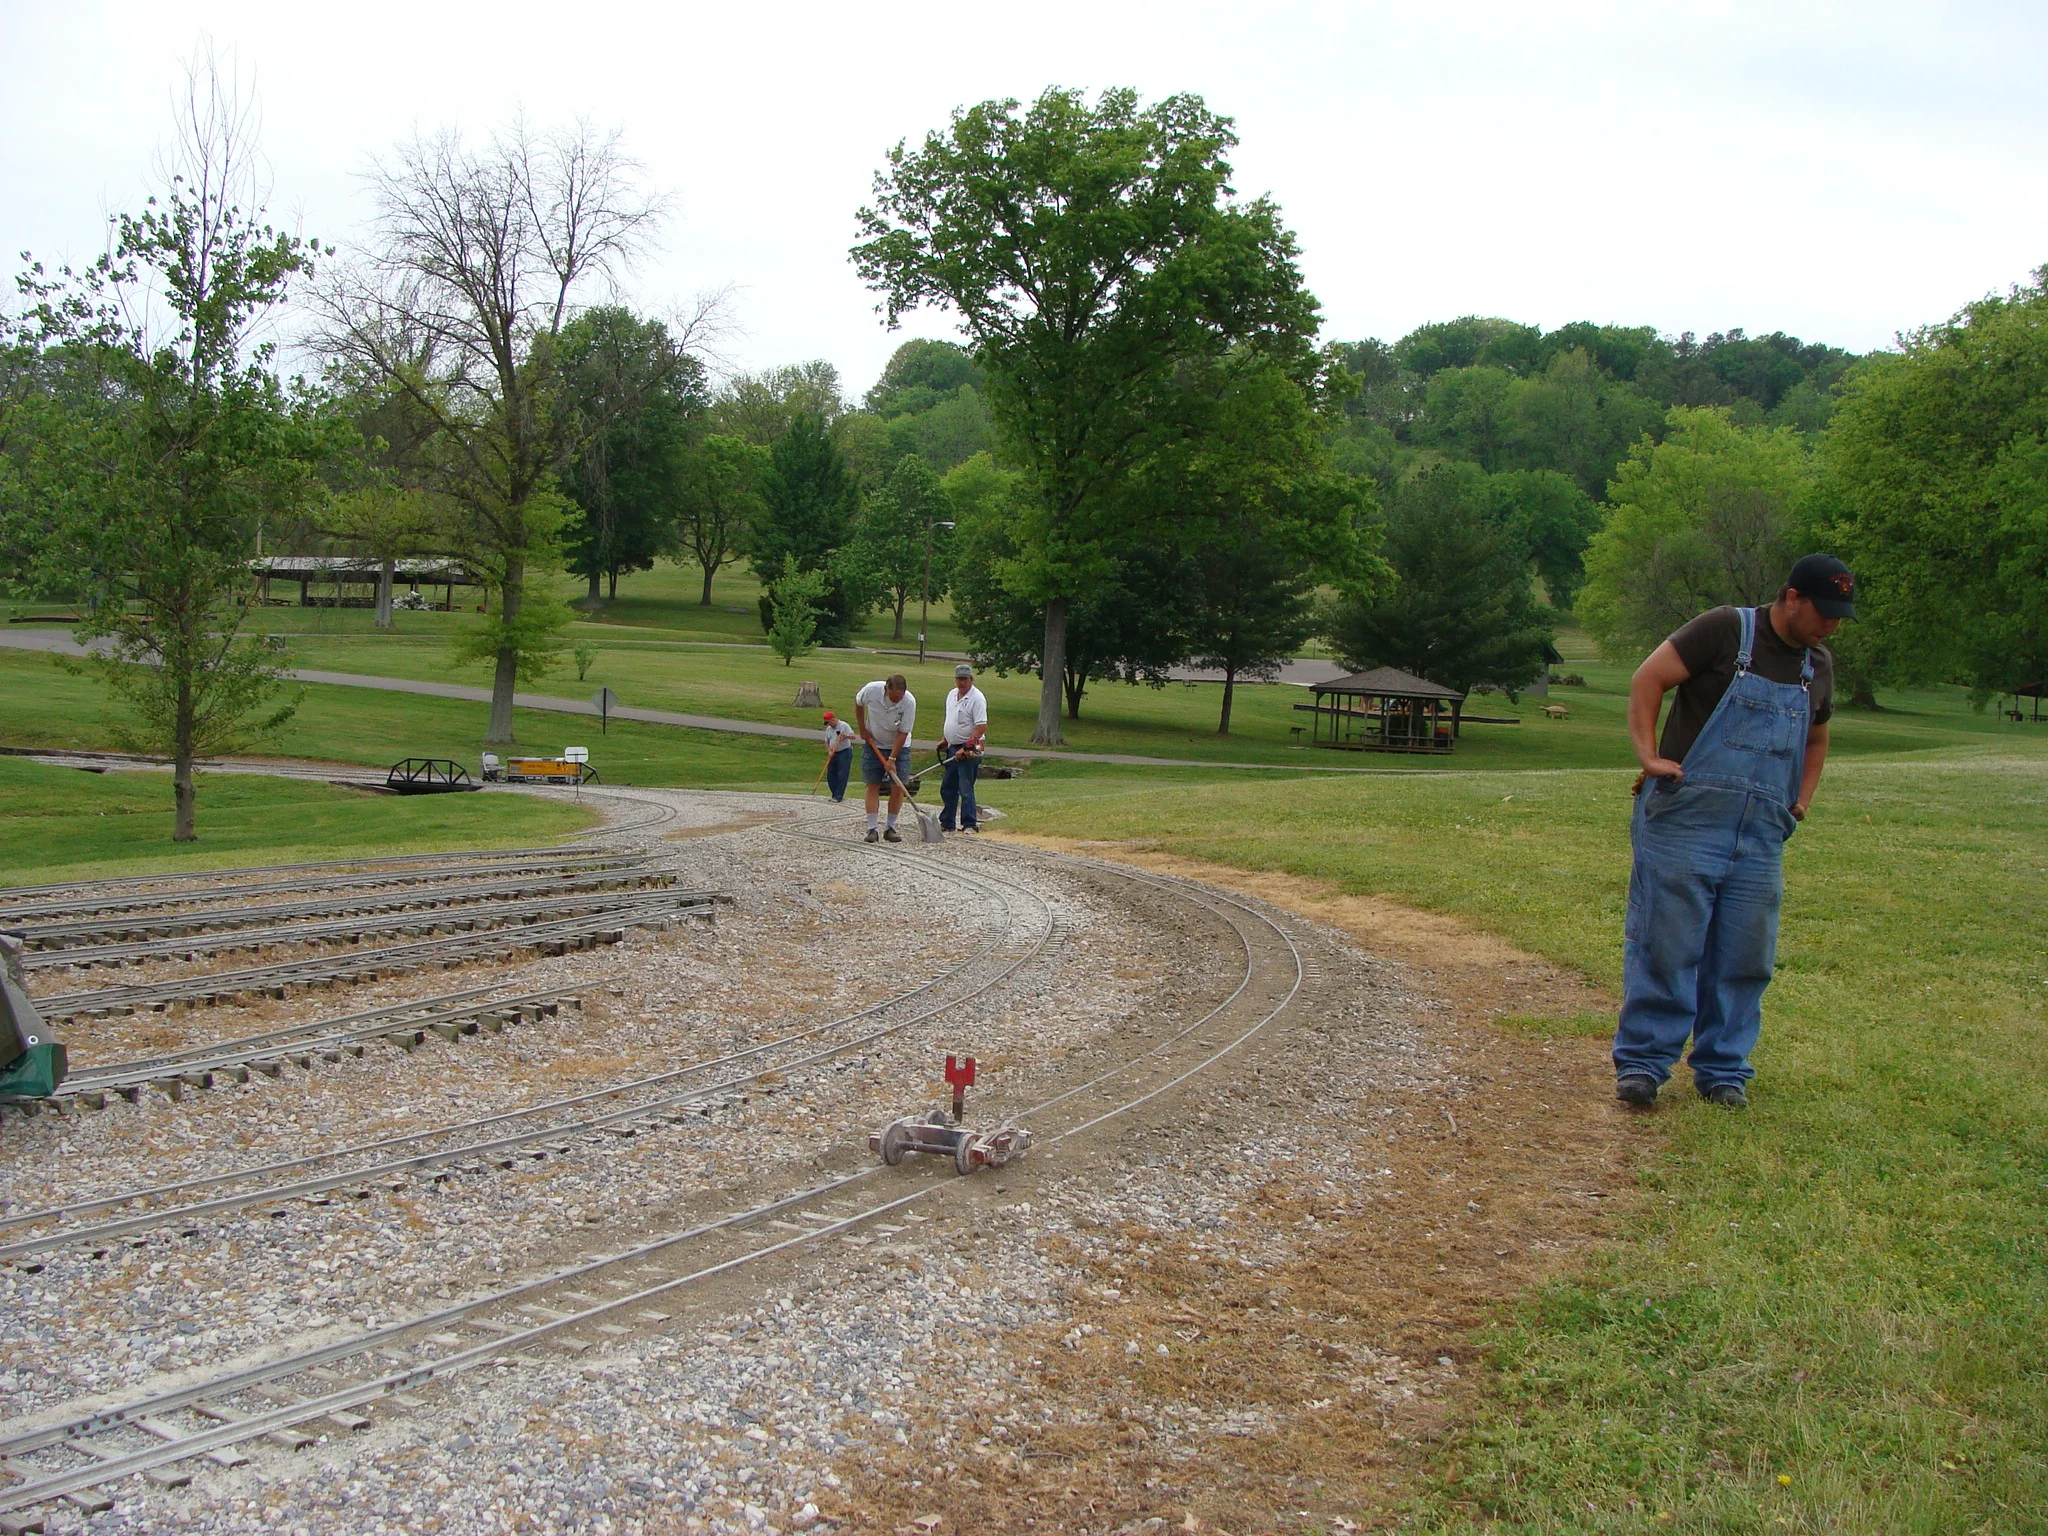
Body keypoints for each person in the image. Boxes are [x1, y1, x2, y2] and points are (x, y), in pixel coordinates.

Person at [1614, 554, 1856, 1110]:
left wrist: (1803, 799)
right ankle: (1645, 1065)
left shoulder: (1817, 664)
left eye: (1840, 616)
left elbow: (1817, 739)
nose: (1831, 625)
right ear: (1792, 597)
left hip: (1762, 832)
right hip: (1685, 819)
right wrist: (1648, 756)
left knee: (1746, 954)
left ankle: (1724, 1069)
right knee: (1667, 945)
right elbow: (1648, 679)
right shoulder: (1726, 629)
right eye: (1824, 611)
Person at [853, 673, 916, 844]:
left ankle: (890, 827)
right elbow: (858, 704)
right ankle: (872, 829)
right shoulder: (871, 690)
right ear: (886, 690)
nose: (897, 701)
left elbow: (903, 733)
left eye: (900, 697)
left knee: (898, 787)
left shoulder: (909, 702)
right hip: (874, 742)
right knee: (873, 784)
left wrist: (892, 759)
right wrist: (861, 728)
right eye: (894, 697)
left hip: (899, 746)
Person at [939, 662, 989, 832]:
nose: (961, 683)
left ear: (971, 679)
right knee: (948, 785)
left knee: (965, 786)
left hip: (971, 748)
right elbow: (952, 719)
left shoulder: (977, 698)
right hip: (952, 746)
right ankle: (947, 822)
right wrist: (946, 739)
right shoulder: (952, 695)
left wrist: (966, 747)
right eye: (959, 679)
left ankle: (969, 823)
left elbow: (981, 726)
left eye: (964, 679)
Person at [820, 711, 855, 803]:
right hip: (833, 753)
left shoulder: (844, 726)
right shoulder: (828, 729)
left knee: (842, 774)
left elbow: (853, 736)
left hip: (844, 752)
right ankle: (834, 793)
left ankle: (838, 796)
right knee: (830, 774)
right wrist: (829, 751)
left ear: (833, 719)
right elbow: (826, 741)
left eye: (829, 722)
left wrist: (846, 736)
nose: (829, 725)